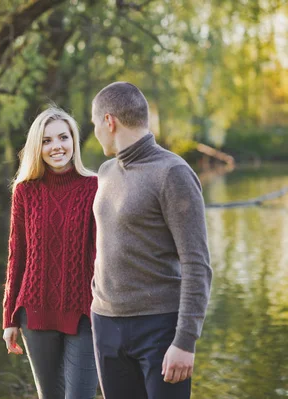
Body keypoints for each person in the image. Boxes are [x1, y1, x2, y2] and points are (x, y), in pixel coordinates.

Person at [90, 81, 213, 399]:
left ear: (109, 121)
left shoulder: (173, 173)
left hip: (159, 328)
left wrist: (185, 341)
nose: (95, 133)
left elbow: (196, 263)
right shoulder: (105, 172)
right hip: (106, 324)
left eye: (94, 125)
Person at [2, 106, 99, 399]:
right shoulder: (25, 191)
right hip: (35, 310)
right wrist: (9, 319)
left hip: (85, 312)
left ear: (74, 141)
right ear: (37, 146)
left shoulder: (95, 186)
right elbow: (16, 256)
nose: (56, 146)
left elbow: (101, 258)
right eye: (46, 140)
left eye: (63, 137)